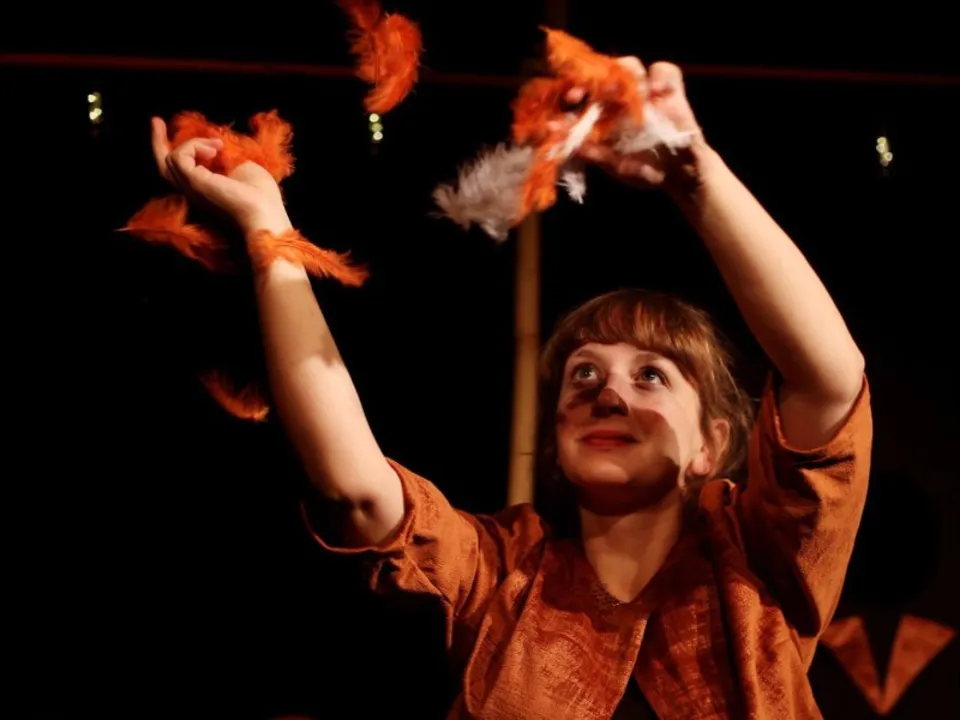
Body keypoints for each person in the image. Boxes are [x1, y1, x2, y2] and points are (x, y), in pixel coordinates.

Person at [150, 58, 871, 719]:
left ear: (712, 443)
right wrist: (267, 227)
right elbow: (356, 489)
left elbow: (830, 380)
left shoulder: (760, 560)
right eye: (583, 374)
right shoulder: (502, 573)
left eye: (650, 375)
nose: (608, 394)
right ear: (556, 433)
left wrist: (695, 176)